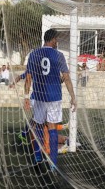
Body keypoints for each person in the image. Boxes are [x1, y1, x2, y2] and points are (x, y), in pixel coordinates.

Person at [24, 29, 76, 171]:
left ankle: (37, 157)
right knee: (52, 128)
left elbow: (28, 77)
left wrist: (26, 97)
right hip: (54, 97)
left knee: (38, 125)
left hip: (40, 96)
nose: (57, 42)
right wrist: (73, 97)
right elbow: (66, 77)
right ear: (52, 40)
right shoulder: (59, 55)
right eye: (56, 40)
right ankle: (52, 162)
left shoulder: (34, 54)